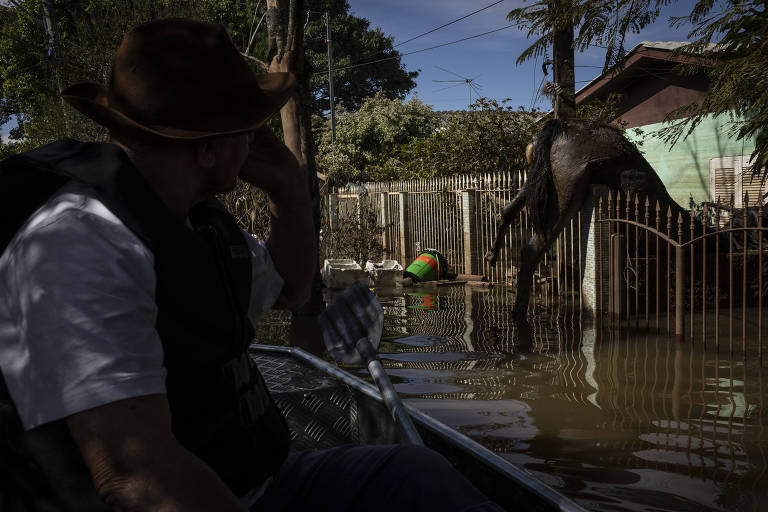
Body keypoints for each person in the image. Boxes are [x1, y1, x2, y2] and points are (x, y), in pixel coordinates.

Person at [0, 18, 502, 512]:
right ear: (212, 149)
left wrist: (289, 191)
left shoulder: (195, 221)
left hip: (255, 481)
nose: (256, 141)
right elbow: (135, 478)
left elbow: (290, 290)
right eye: (248, 128)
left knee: (416, 475)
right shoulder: (79, 244)